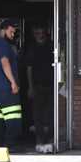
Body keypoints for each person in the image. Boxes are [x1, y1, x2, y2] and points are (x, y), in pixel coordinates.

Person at [0, 19, 22, 149]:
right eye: (11, 31)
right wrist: (13, 82)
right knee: (13, 116)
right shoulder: (3, 45)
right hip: (5, 88)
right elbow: (5, 62)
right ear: (4, 29)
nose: (13, 35)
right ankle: (11, 145)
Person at [25, 25, 54, 154]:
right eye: (36, 32)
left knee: (50, 114)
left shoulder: (51, 46)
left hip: (51, 84)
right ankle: (39, 140)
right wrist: (30, 87)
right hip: (37, 85)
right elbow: (29, 68)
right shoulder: (31, 48)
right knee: (37, 114)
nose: (38, 34)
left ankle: (49, 140)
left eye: (40, 31)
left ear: (45, 32)